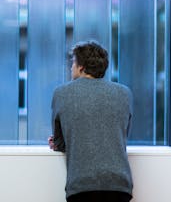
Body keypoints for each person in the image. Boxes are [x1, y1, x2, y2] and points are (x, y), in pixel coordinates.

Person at [48, 40, 134, 202]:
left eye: (73, 63)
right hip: (119, 184)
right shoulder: (124, 93)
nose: (71, 67)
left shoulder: (61, 93)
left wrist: (58, 142)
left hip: (81, 184)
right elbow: (122, 135)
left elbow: (60, 142)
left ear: (81, 67)